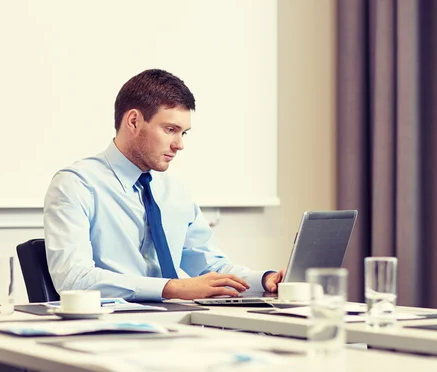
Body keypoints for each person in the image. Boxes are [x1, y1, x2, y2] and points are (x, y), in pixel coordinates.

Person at [44, 69, 284, 301]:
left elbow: (210, 266)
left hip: (178, 322)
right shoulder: (76, 184)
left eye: (184, 133)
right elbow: (73, 278)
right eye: (170, 130)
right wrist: (172, 288)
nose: (179, 144)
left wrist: (264, 280)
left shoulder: (174, 191)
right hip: (112, 329)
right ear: (134, 121)